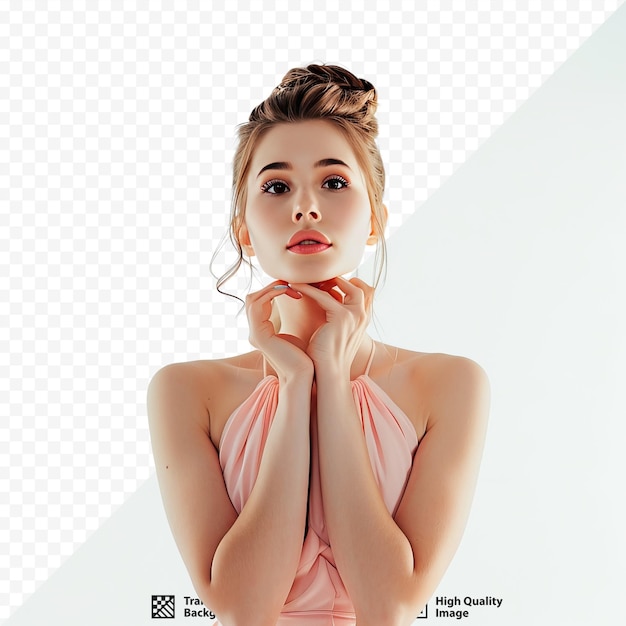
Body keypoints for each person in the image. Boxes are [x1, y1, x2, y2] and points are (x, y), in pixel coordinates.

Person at [147, 64, 490, 626]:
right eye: (276, 186)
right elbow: (241, 609)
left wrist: (331, 379)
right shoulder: (186, 390)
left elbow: (390, 607)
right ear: (244, 231)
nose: (306, 207)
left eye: (334, 183)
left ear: (375, 219)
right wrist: (295, 380)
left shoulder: (450, 384)